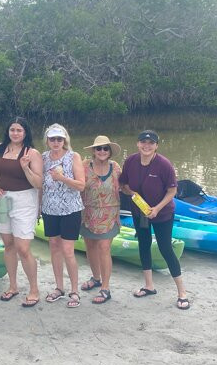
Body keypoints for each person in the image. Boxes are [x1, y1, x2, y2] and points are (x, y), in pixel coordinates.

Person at [119, 130, 190, 310]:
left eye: (151, 143)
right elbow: (123, 185)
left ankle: (182, 293)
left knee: (165, 248)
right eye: (143, 142)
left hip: (162, 213)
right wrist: (132, 193)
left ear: (156, 146)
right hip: (140, 211)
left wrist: (157, 208)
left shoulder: (164, 165)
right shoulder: (130, 161)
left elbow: (172, 191)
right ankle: (149, 286)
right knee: (143, 245)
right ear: (138, 144)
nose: (147, 146)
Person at [0, 116, 43, 308]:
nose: (15, 133)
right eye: (12, 130)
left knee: (23, 248)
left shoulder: (32, 153)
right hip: (1, 199)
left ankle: (34, 289)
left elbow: (39, 183)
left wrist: (25, 168)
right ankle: (13, 286)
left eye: (19, 130)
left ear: (25, 133)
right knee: (8, 244)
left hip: (24, 201)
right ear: (8, 131)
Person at [40, 124, 85, 308]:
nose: (56, 142)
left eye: (59, 139)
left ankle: (75, 290)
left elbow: (81, 185)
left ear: (65, 140)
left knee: (68, 250)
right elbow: (39, 185)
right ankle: (59, 287)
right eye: (53, 139)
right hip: (50, 209)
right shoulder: (43, 158)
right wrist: (37, 207)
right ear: (47, 140)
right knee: (54, 248)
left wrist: (63, 178)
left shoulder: (73, 156)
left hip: (70, 209)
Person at [79, 135, 123, 305]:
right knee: (90, 246)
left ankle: (105, 287)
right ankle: (96, 278)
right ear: (94, 151)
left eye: (106, 148)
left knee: (104, 247)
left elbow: (125, 186)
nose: (102, 151)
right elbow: (75, 184)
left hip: (110, 214)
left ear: (110, 151)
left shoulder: (116, 167)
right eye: (99, 148)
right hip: (87, 213)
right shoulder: (84, 166)